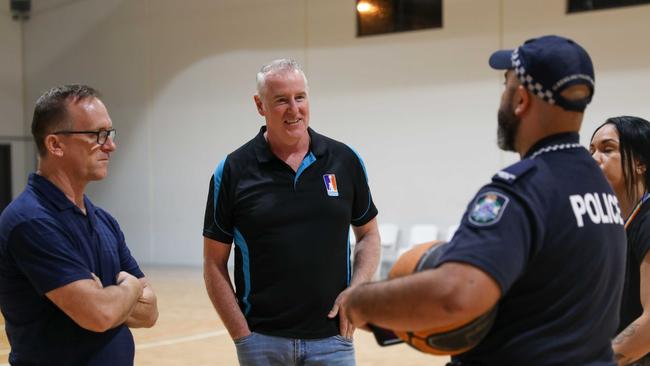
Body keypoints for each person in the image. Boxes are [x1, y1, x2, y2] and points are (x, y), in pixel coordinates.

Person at [342, 35, 627, 365]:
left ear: (520, 100)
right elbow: (543, 296)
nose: (502, 99)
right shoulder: (598, 184)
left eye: (506, 86)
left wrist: (361, 301)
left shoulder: (521, 190)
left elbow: (455, 296)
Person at [203, 58, 380, 365]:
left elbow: (369, 235)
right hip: (262, 343)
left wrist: (357, 290)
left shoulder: (345, 160)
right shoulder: (232, 170)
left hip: (333, 341)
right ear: (260, 105)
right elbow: (213, 262)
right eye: (281, 100)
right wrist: (242, 335)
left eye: (300, 97)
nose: (294, 109)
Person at [0, 85, 158, 365]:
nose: (110, 145)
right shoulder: (31, 221)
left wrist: (109, 295)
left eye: (109, 133)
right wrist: (130, 288)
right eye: (97, 135)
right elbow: (99, 315)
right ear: (55, 144)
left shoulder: (104, 221)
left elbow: (150, 313)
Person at [591, 116, 650, 366]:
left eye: (607, 149)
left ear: (640, 164)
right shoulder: (617, 226)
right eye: (591, 150)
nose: (593, 159)